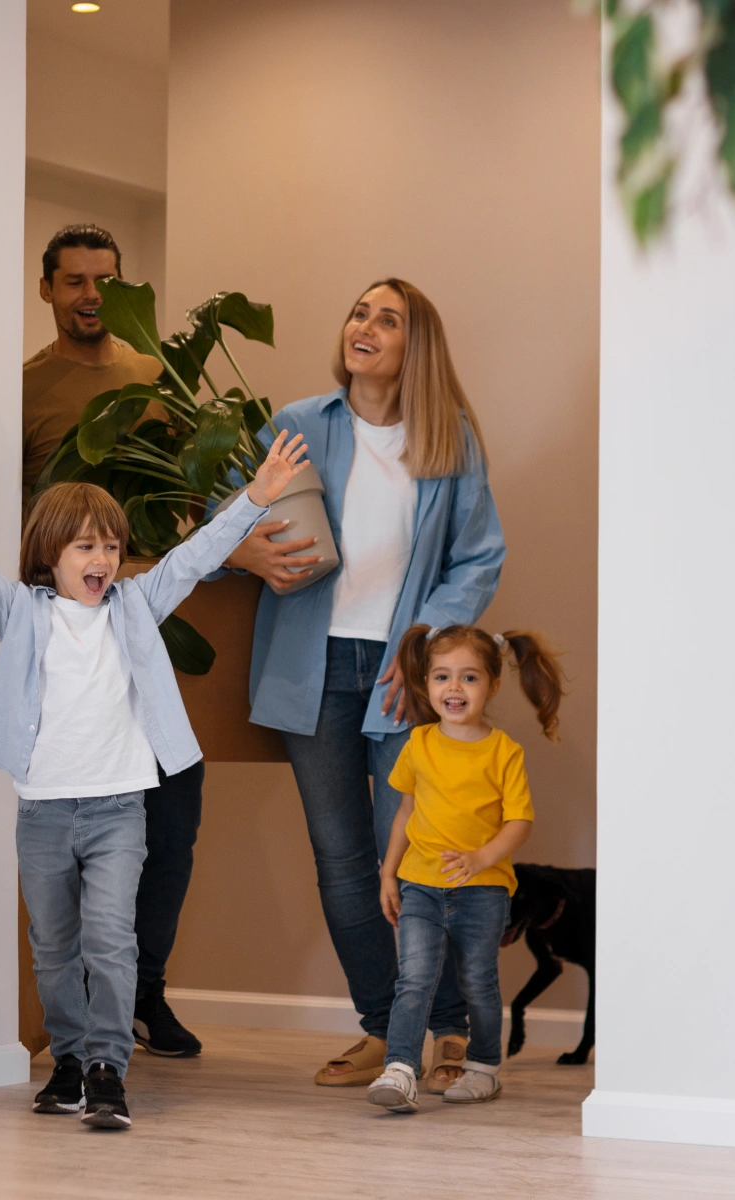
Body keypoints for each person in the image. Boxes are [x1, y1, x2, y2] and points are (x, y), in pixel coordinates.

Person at [0, 431, 310, 1129]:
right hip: (42, 813)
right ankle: (67, 1060)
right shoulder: (22, 613)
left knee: (110, 939)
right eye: (85, 547)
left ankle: (106, 1068)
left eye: (111, 547)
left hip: (119, 808)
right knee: (55, 945)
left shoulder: (134, 607)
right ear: (50, 557)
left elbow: (196, 556)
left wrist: (256, 499)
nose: (102, 560)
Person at [224, 279, 506, 1089]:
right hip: (309, 673)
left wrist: (419, 651)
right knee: (341, 860)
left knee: (420, 852)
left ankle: (448, 1029)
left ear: (416, 346)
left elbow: (478, 555)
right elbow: (229, 517)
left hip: (399, 678)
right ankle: (388, 1032)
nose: (366, 327)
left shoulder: (448, 439)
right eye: (358, 312)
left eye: (389, 319)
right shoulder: (301, 425)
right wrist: (246, 554)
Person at [24, 223, 204, 1059]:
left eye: (106, 280)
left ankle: (145, 994)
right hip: (71, 650)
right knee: (73, 844)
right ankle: (80, 1030)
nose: (92, 295)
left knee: (170, 820)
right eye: (74, 282)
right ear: (47, 290)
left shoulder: (154, 379)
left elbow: (190, 500)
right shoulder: (27, 390)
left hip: (151, 627)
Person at [365, 623, 564, 1113]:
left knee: (478, 981)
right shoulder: (419, 744)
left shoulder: (503, 752)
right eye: (442, 677)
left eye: (469, 678)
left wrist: (480, 859)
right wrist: (389, 875)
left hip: (483, 892)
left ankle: (484, 1069)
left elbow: (520, 821)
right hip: (421, 887)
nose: (454, 688)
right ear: (426, 683)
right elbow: (405, 815)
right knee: (413, 979)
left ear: (492, 686)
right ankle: (401, 1069)